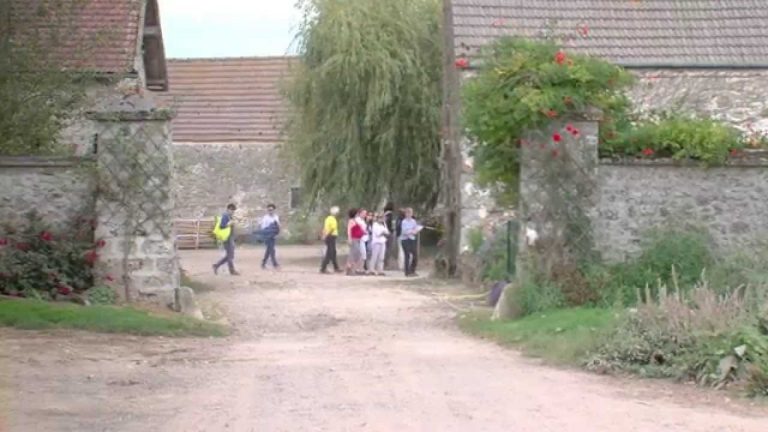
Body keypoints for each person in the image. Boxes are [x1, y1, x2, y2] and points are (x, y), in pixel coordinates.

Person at [213, 203, 240, 275]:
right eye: (231, 210)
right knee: (230, 255)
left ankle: (216, 265)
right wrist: (229, 224)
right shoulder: (225, 216)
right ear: (228, 209)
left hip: (230, 237)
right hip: (226, 238)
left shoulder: (230, 217)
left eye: (233, 210)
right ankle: (232, 271)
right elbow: (222, 226)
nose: (232, 212)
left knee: (230, 255)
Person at [399, 207, 421, 277]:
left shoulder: (413, 221)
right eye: (408, 213)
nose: (409, 214)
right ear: (406, 214)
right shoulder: (404, 222)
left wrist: (416, 230)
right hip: (405, 240)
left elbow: (415, 228)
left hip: (412, 239)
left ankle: (412, 270)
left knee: (415, 255)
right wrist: (412, 231)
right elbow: (404, 231)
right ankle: (407, 272)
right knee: (407, 255)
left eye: (411, 213)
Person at [320, 206, 342, 274]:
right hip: (331, 236)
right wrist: (326, 235)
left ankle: (336, 267)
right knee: (330, 253)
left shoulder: (327, 219)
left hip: (329, 236)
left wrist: (323, 235)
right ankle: (323, 268)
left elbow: (325, 228)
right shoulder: (333, 219)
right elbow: (332, 229)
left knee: (333, 252)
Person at [260, 204, 280, 269]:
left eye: (271, 210)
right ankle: (275, 264)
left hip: (273, 235)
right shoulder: (265, 218)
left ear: (274, 210)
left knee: (269, 250)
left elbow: (278, 226)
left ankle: (263, 263)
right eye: (269, 210)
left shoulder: (276, 217)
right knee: (272, 250)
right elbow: (263, 227)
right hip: (267, 235)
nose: (270, 211)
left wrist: (276, 233)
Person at [346, 208, 365, 275]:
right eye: (356, 213)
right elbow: (349, 231)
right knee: (354, 254)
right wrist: (349, 239)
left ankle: (351, 269)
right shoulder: (351, 221)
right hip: (353, 239)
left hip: (357, 239)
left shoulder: (355, 221)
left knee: (355, 254)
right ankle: (350, 269)